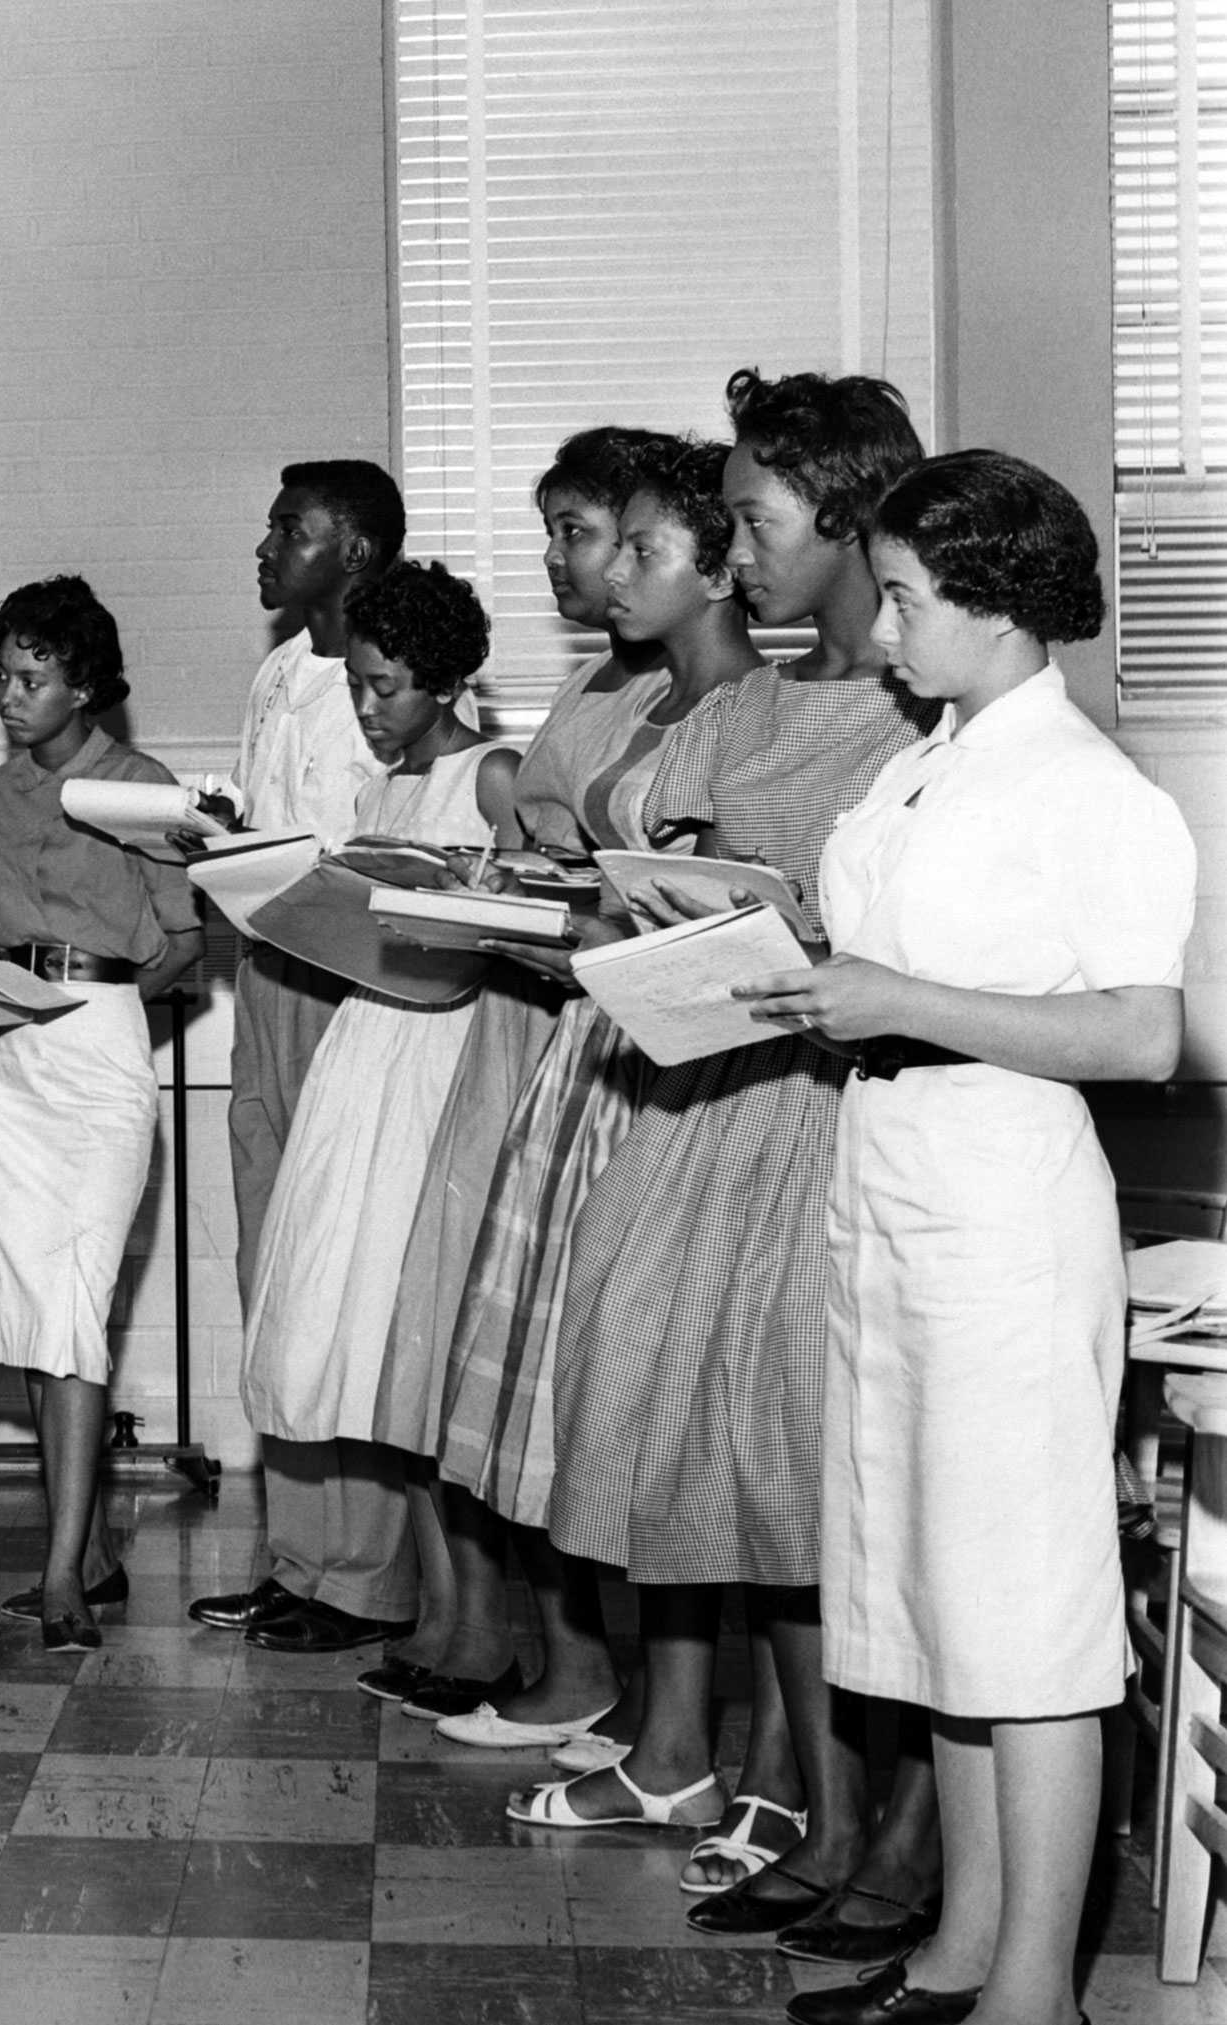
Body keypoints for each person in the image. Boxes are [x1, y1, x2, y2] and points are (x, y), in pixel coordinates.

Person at [738, 452, 1193, 2025]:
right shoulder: (925, 760)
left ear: (1000, 607)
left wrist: (891, 1001)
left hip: (1004, 1201)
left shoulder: (1087, 789)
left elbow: (1140, 1033)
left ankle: (1031, 1999)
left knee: (1028, 1615)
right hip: (897, 1177)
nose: (881, 632)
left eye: (911, 603)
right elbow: (887, 956)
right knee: (935, 1591)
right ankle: (957, 1950)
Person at [513, 374, 937, 1945]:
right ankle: (807, 1807)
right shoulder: (747, 703)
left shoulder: (910, 708)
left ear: (845, 520)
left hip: (818, 1115)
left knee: (796, 1479)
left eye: (752, 521)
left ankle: (853, 1824)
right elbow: (674, 871)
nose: (734, 552)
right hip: (703, 1094)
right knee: (700, 1458)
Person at [368, 424, 685, 1704]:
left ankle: (607, 1691)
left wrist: (534, 912)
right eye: (555, 534)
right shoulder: (593, 690)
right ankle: (567, 1671)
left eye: (583, 533)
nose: (566, 565)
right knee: (525, 1384)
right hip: (570, 1034)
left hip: (624, 1045)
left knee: (591, 1389)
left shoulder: (686, 698)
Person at [233, 560, 518, 1658]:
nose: (366, 709)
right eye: (355, 686)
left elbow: (527, 929)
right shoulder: (379, 789)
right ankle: (437, 1621)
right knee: (370, 1342)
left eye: (387, 688)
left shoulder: (493, 776)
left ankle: (476, 1629)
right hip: (371, 1045)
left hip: (444, 1062)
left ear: (444, 683)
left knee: (429, 1344)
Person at [0, 576, 204, 1651]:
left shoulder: (141, 787)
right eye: (1, 671)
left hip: (100, 1054)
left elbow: (180, 947)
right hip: (10, 1058)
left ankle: (61, 1576)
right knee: (38, 1318)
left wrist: (109, 998)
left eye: (32, 677)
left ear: (84, 684)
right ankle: (78, 1553)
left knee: (76, 1306)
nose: (8, 694)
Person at [186, 458, 404, 1640]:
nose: (265, 548)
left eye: (289, 530)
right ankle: (299, 1557)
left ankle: (367, 1577)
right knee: (272, 1265)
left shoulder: (386, 681)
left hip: (353, 987)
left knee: (342, 1271)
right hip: (268, 973)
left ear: (355, 553)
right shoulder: (281, 673)